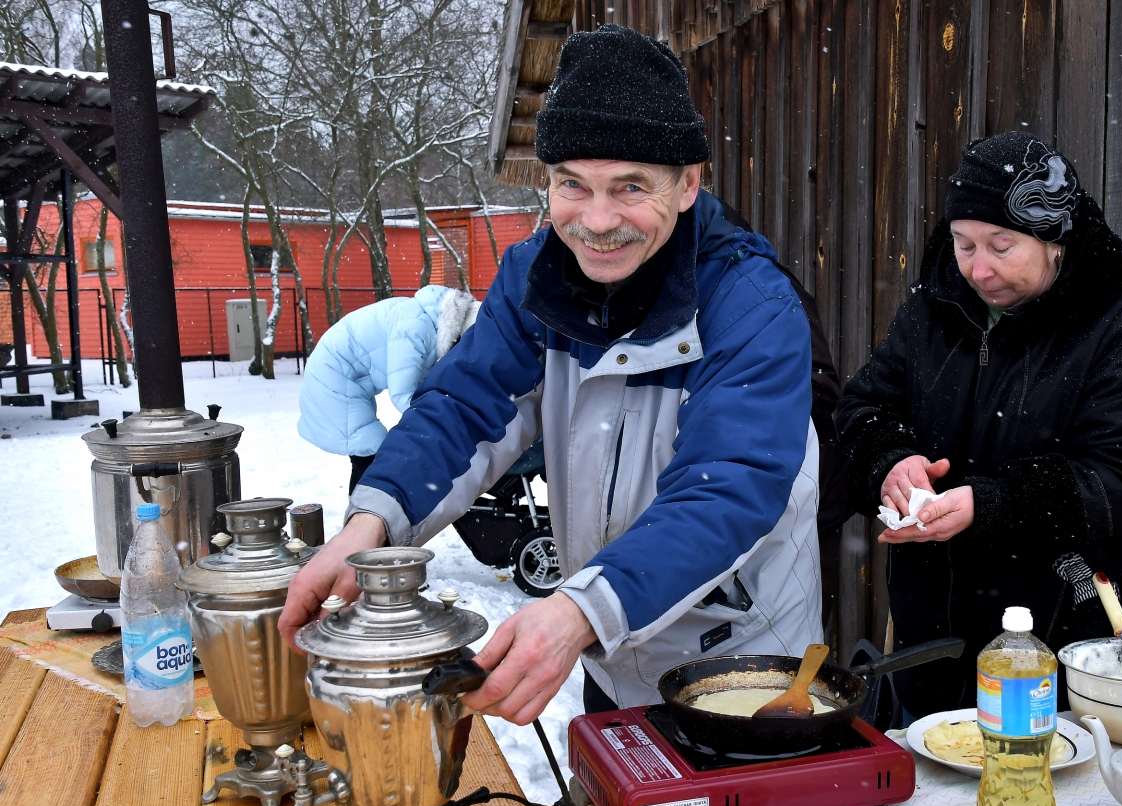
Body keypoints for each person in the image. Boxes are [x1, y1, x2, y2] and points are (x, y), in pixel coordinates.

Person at [279, 24, 824, 722]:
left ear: (688, 183)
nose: (596, 220)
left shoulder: (751, 305)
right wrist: (370, 525)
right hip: (607, 650)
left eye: (630, 187)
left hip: (740, 665)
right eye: (572, 185)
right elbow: (464, 407)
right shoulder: (531, 279)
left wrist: (577, 612)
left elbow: (727, 488)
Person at [836, 132, 1122, 719]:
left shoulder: (1114, 328)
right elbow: (865, 408)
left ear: (1053, 241)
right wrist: (890, 464)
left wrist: (993, 504)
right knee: (934, 755)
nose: (978, 268)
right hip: (933, 628)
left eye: (1001, 246)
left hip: (1063, 622)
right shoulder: (932, 311)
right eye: (963, 244)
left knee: (1044, 762)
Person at [296, 285, 479, 491]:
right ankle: (365, 508)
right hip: (330, 376)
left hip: (342, 374)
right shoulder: (415, 328)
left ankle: (367, 506)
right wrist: (442, 424)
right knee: (372, 455)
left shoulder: (428, 319)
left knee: (372, 457)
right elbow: (404, 393)